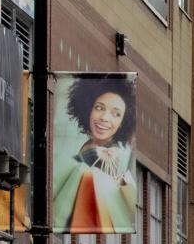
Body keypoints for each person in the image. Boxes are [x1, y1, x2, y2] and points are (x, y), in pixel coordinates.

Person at [50, 78, 138, 232]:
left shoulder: (114, 156)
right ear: (89, 109)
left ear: (123, 122)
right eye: (99, 108)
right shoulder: (85, 144)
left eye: (116, 114)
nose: (105, 118)